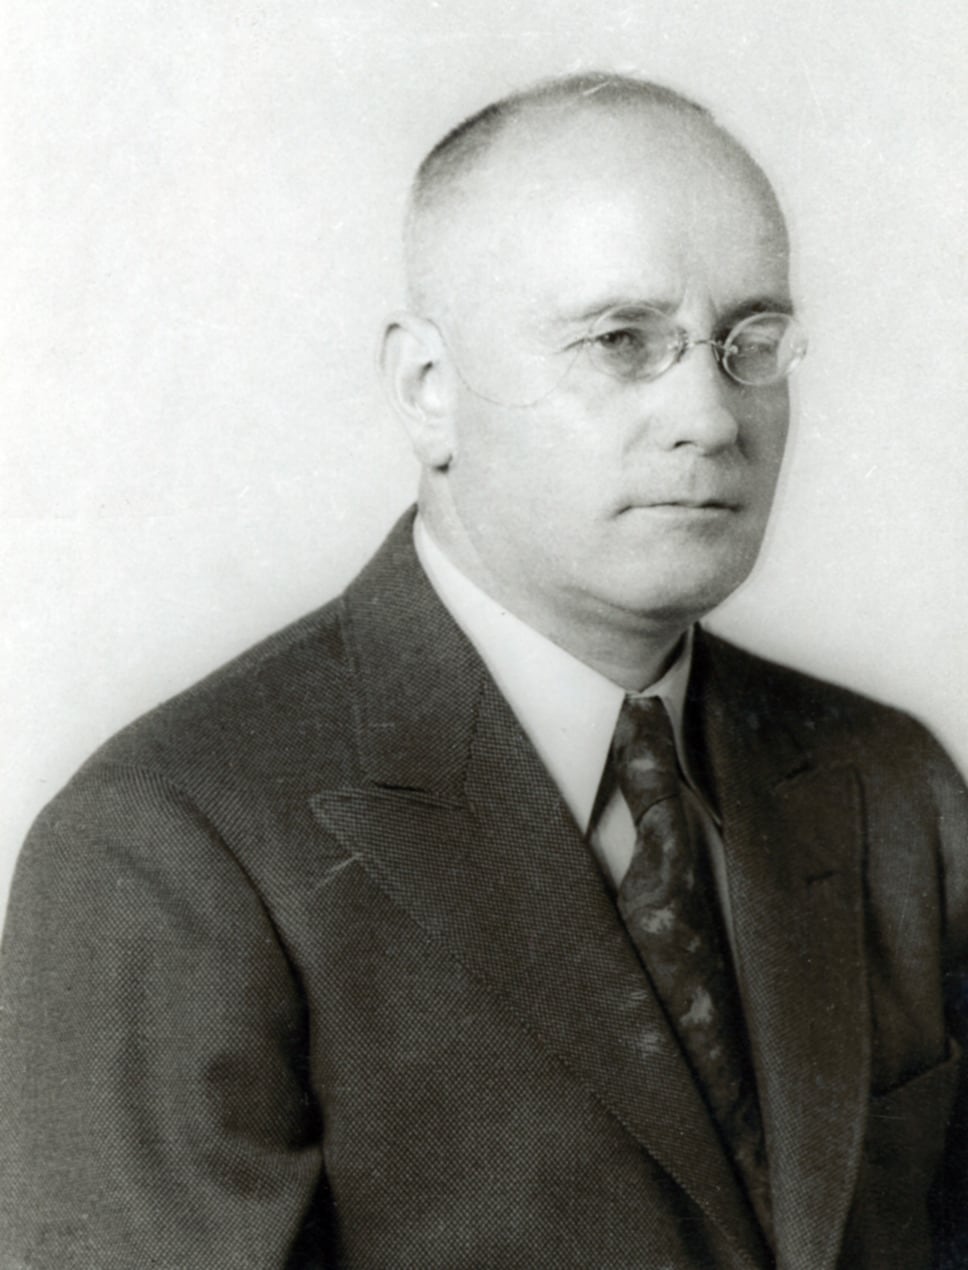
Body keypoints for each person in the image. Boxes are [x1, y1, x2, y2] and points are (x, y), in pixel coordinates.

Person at [1, 72, 966, 1270]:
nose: (711, 417)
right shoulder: (165, 848)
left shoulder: (896, 790)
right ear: (427, 390)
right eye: (622, 342)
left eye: (747, 343)